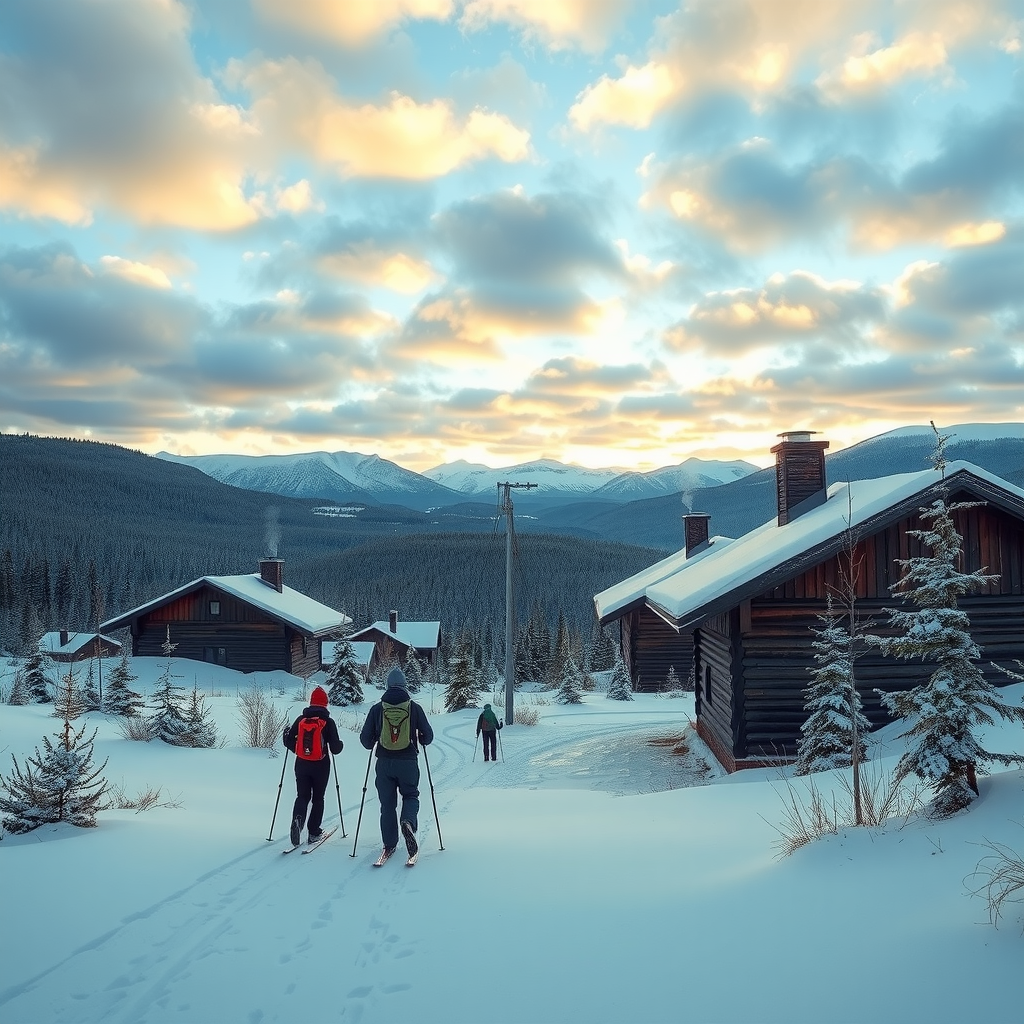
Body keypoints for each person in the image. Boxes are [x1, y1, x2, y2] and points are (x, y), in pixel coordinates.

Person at [359, 667, 433, 859]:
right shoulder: (414, 708)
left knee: (387, 804)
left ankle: (389, 843)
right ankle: (408, 822)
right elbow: (428, 737)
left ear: (387, 685)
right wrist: (421, 737)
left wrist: (377, 736)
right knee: (410, 795)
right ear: (405, 686)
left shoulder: (377, 709)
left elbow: (366, 741)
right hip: (408, 762)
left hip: (384, 763)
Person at [283, 686, 344, 846]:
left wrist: (293, 743)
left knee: (302, 796)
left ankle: (298, 819)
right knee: (318, 798)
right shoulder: (328, 722)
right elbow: (336, 749)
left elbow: (289, 742)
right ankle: (314, 832)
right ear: (325, 704)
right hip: (321, 765)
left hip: (301, 763)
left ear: (311, 703)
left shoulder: (300, 720)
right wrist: (340, 744)